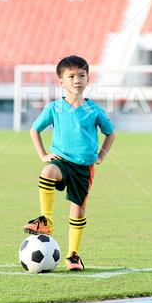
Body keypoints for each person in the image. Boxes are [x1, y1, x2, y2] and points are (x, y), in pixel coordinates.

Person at [23, 55, 115, 271]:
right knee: (47, 170)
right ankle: (45, 221)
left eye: (81, 76)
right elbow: (34, 130)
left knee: (78, 211)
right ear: (61, 81)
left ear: (88, 80)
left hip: (83, 168)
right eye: (71, 76)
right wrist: (43, 154)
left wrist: (101, 156)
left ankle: (72, 255)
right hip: (61, 161)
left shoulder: (95, 110)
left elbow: (110, 133)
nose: (77, 80)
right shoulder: (54, 108)